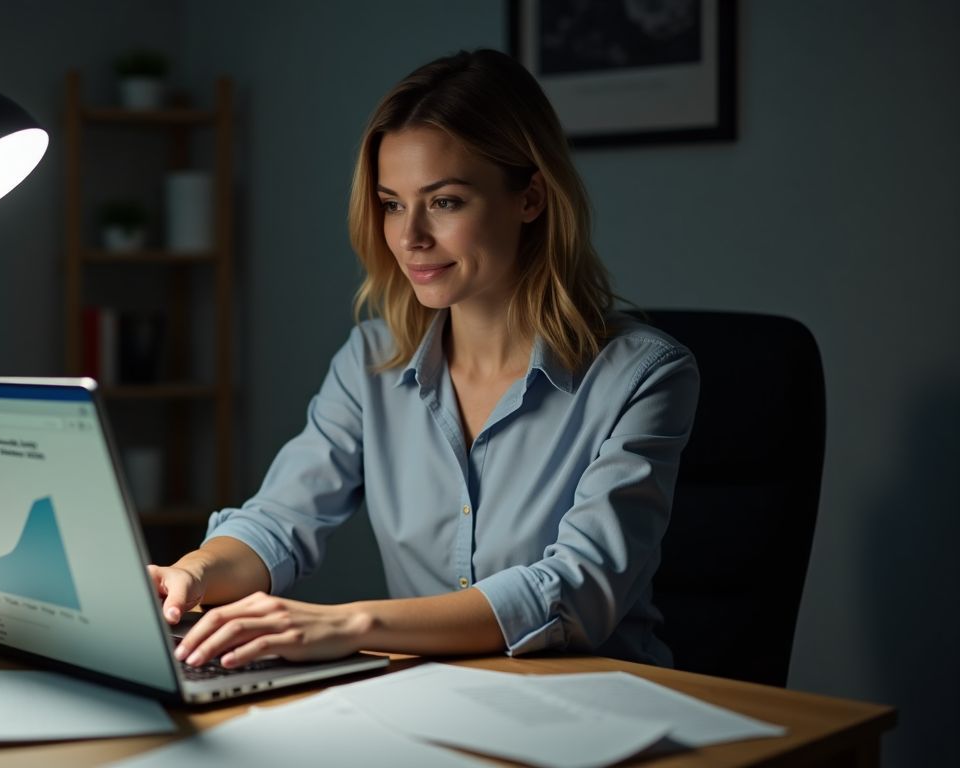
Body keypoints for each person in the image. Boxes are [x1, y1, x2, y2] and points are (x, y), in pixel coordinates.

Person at [147, 48, 699, 670]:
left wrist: (345, 625)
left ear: (531, 198)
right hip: (427, 704)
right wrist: (190, 572)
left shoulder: (644, 374)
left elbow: (576, 588)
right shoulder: (372, 360)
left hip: (598, 714)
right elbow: (280, 519)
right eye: (391, 203)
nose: (410, 237)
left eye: (445, 202)